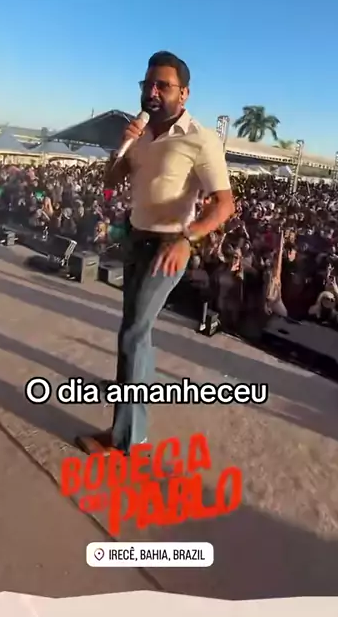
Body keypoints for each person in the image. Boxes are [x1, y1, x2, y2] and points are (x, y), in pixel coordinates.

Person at [76, 51, 235, 457]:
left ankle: (125, 439)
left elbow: (224, 205)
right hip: (135, 236)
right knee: (139, 332)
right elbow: (111, 180)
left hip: (169, 246)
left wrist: (187, 239)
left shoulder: (200, 139)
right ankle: (135, 412)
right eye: (147, 84)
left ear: (184, 93)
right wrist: (124, 144)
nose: (152, 91)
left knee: (132, 332)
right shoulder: (142, 132)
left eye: (162, 85)